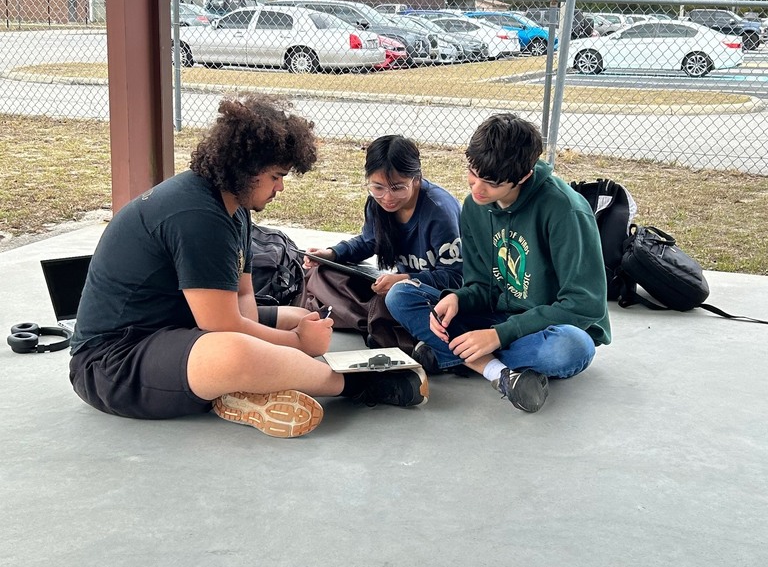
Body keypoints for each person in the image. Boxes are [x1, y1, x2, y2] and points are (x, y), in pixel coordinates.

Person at [69, 96, 428, 438]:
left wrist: (292, 334)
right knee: (237, 351)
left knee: (291, 314)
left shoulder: (233, 208)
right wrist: (297, 344)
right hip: (112, 363)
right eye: (275, 176)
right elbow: (221, 326)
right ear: (244, 169)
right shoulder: (198, 215)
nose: (281, 187)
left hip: (174, 328)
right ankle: (353, 385)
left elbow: (243, 297)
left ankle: (241, 389)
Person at [385, 113, 611, 413]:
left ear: (524, 177)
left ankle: (451, 355)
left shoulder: (565, 211)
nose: (477, 188)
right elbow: (483, 286)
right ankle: (499, 373)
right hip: (496, 318)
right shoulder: (474, 207)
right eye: (472, 173)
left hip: (549, 329)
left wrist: (498, 336)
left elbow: (587, 305)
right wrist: (458, 299)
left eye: (490, 183)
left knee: (572, 348)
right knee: (401, 295)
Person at [301, 135, 462, 353]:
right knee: (323, 273)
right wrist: (331, 254)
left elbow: (455, 277)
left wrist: (406, 279)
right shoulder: (377, 205)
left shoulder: (439, 211)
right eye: (377, 187)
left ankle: (407, 334)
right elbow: (368, 242)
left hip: (436, 297)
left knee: (399, 297)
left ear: (416, 178)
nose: (387, 197)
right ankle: (385, 324)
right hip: (401, 291)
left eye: (397, 188)